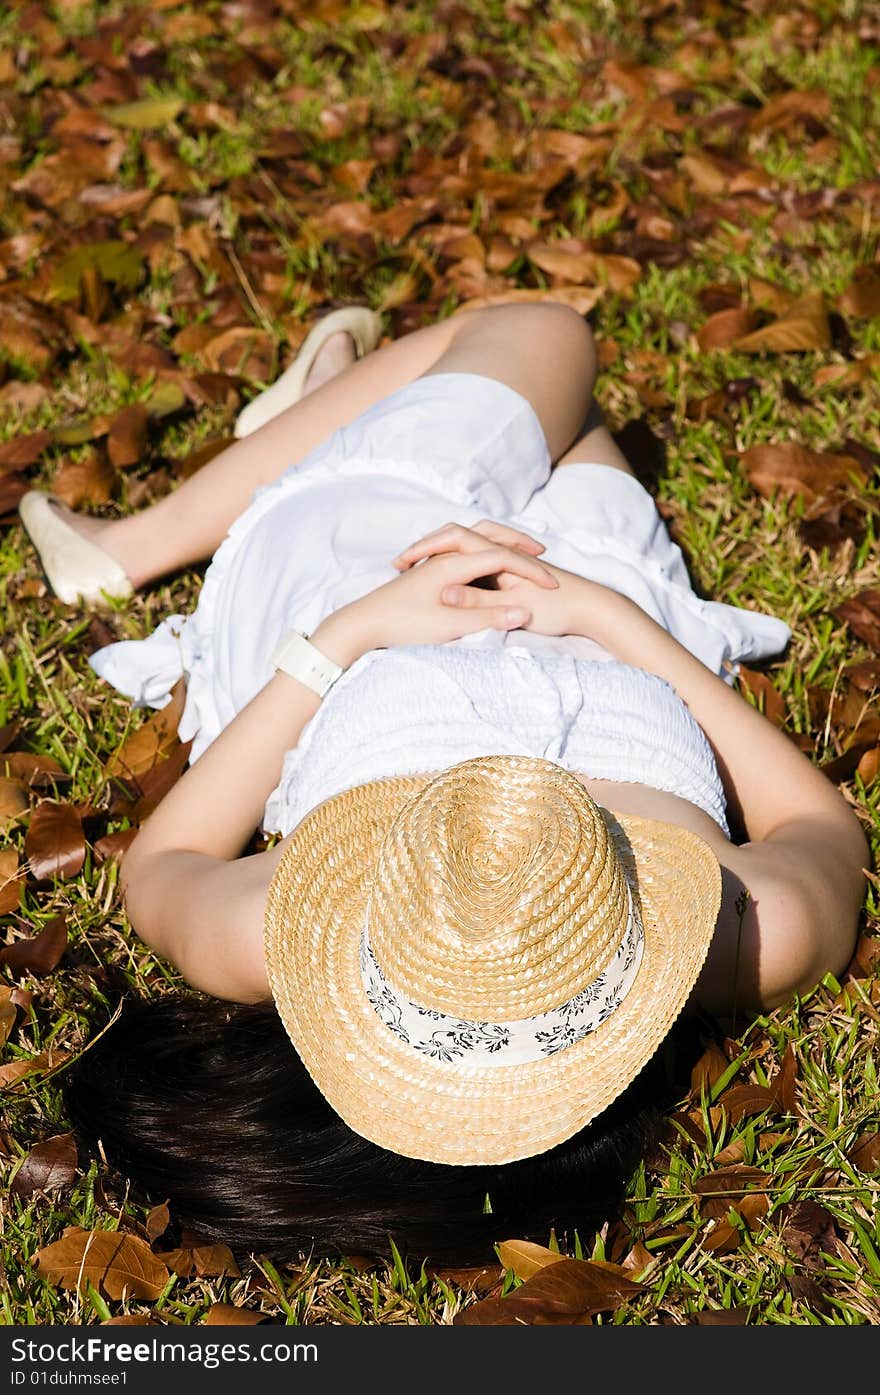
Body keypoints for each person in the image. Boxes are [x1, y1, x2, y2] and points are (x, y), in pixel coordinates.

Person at [18, 303, 867, 1266]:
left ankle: (154, 533)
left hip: (366, 567)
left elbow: (161, 862)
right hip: (600, 578)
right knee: (565, 400)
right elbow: (818, 821)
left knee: (541, 338)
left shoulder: (286, 933)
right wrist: (622, 626)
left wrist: (352, 633)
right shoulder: (745, 928)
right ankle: (334, 400)